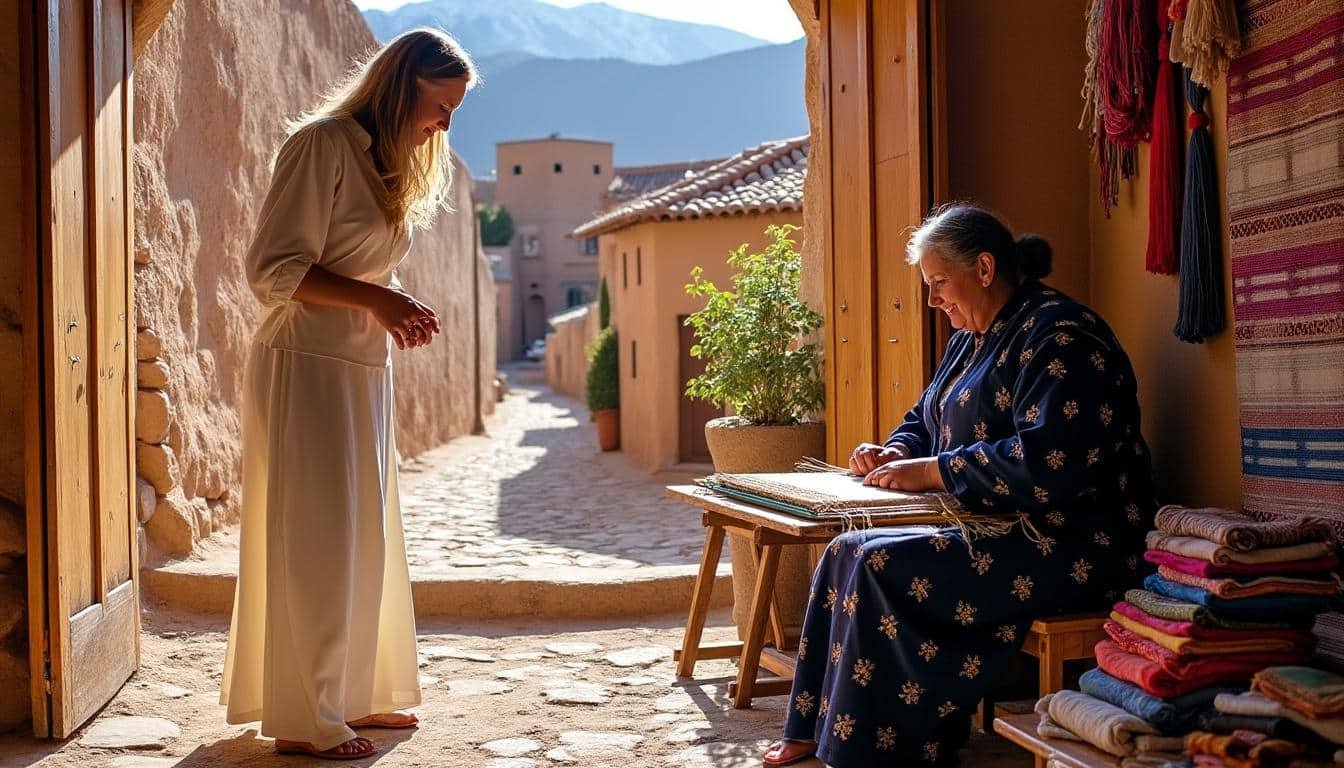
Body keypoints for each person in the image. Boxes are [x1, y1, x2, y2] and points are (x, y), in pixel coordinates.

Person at [763, 203, 1156, 767]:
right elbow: (925, 418)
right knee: (844, 550)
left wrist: (933, 471)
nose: (932, 300)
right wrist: (897, 450)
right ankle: (816, 727)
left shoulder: (1063, 336)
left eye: (939, 283)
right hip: (1001, 526)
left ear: (985, 269)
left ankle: (878, 749)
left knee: (878, 564)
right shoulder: (969, 339)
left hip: (1075, 540)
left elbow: (1049, 462)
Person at [219, 29, 477, 760]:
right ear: (401, 85)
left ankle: (353, 697)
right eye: (440, 106)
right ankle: (306, 720)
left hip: (361, 370)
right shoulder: (320, 145)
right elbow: (272, 270)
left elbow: (355, 267)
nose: (444, 125)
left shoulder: (386, 165)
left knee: (364, 539)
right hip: (305, 367)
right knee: (318, 542)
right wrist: (378, 300)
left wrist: (391, 305)